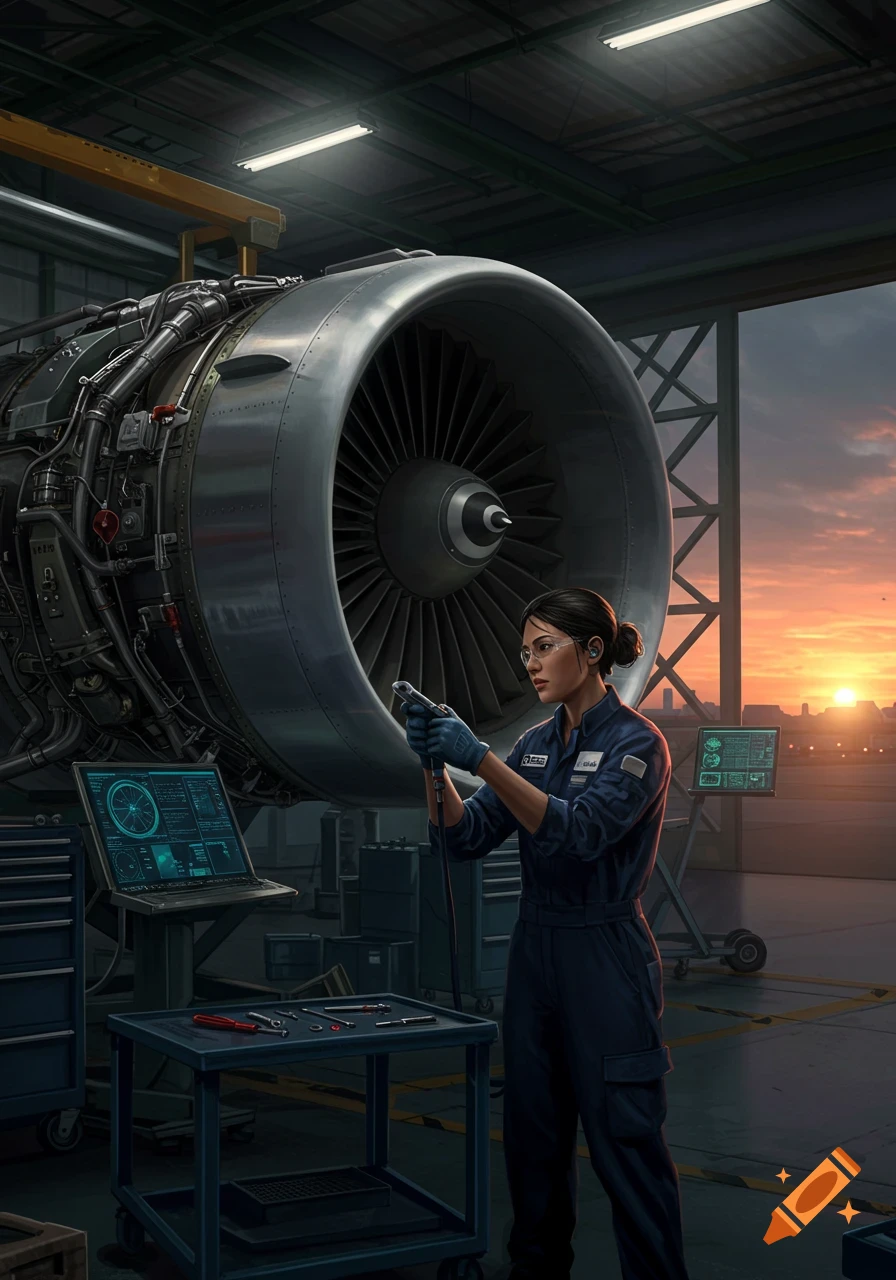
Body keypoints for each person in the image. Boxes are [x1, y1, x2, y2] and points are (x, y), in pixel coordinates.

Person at [401, 587, 691, 1280]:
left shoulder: (637, 745)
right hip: (537, 956)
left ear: (592, 652)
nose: (529, 663)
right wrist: (434, 768)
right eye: (524, 649)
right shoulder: (534, 744)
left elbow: (580, 832)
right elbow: (464, 839)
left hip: (606, 954)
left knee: (625, 1143)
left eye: (544, 646)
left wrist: (479, 759)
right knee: (533, 1144)